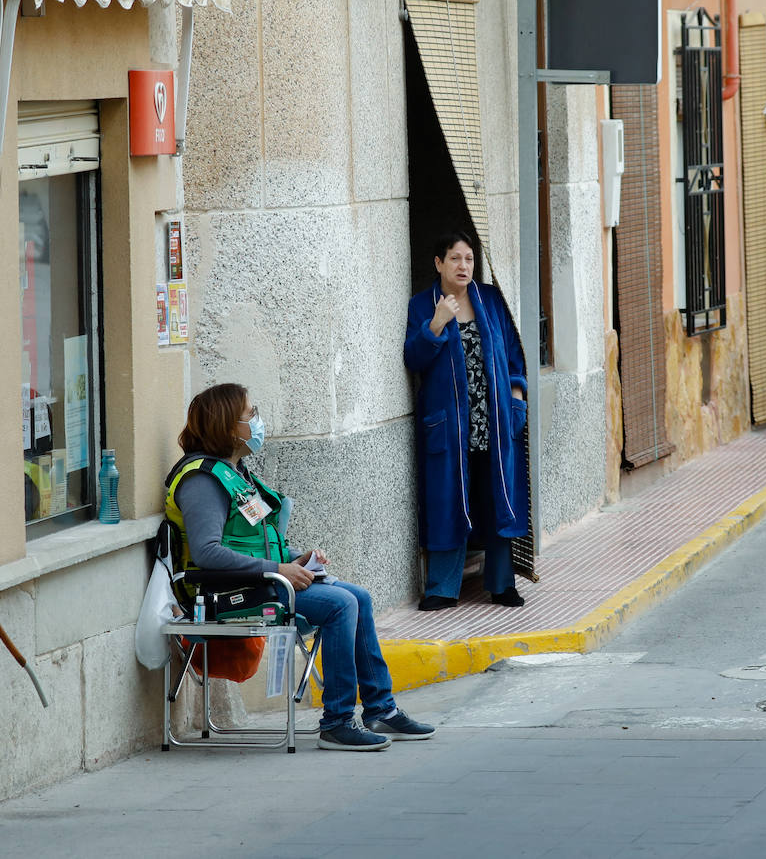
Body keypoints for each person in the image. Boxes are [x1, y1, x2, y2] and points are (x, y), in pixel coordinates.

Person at [165, 383, 435, 751]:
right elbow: (208, 552)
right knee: (341, 605)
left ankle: (380, 709)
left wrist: (296, 559)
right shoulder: (201, 480)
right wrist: (278, 568)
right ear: (229, 427)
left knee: (359, 596)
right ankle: (337, 722)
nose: (257, 420)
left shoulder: (235, 472)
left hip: (260, 580)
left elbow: (251, 540)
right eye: (250, 414)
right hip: (221, 593)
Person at [403, 232, 530, 611]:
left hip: (494, 421)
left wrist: (517, 401)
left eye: (469, 259)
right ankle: (442, 588)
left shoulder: (489, 300)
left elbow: (512, 356)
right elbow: (414, 360)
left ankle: (502, 584)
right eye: (455, 259)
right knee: (448, 501)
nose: (463, 266)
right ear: (439, 263)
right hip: (451, 426)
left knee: (498, 498)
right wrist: (437, 324)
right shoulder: (422, 305)